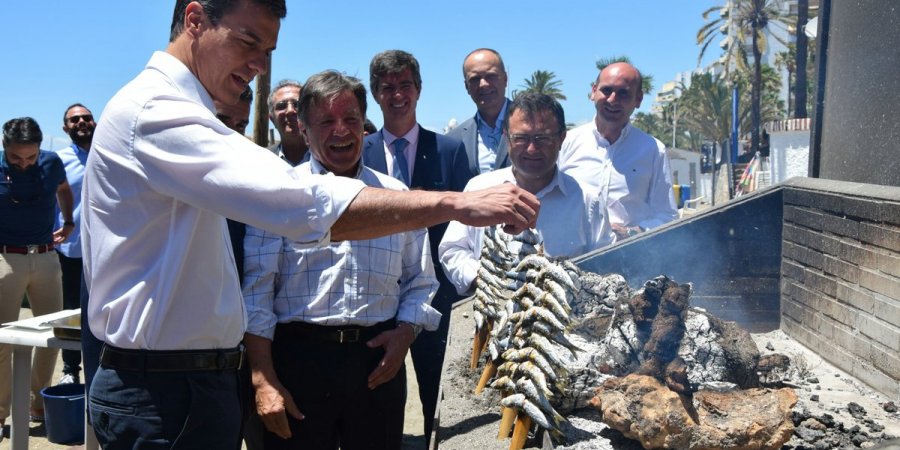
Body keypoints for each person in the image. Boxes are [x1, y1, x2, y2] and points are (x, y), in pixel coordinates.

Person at [81, 1, 539, 448]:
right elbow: (302, 206)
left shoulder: (181, 111)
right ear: (195, 20)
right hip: (168, 391)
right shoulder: (157, 112)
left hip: (192, 384)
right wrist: (456, 203)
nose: (260, 65)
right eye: (249, 41)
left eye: (269, 50)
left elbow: (415, 279)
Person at [244, 70, 440, 450]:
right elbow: (256, 294)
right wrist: (264, 379)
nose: (341, 131)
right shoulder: (279, 196)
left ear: (364, 126)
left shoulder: (396, 197)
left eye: (350, 119)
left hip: (375, 366)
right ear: (303, 128)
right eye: (326, 121)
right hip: (299, 365)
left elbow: (421, 281)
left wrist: (405, 333)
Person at [362, 49, 473, 442]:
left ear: (419, 90)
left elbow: (463, 220)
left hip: (434, 295)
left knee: (437, 395)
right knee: (373, 400)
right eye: (387, 87)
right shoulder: (359, 153)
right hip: (373, 297)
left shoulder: (449, 150)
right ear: (376, 93)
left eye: (405, 85)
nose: (397, 95)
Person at [440, 93, 615, 294]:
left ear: (561, 137)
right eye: (521, 138)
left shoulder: (588, 200)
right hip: (493, 313)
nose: (532, 149)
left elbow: (605, 266)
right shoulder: (479, 189)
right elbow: (452, 249)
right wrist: (484, 280)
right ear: (506, 136)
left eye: (542, 138)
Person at [0, 117, 74, 426]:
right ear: (5, 147)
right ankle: (0, 414)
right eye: (16, 157)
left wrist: (68, 221)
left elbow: (64, 189)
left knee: (53, 335)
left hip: (46, 258)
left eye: (30, 156)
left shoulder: (51, 161)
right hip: (6, 259)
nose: (24, 163)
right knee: (3, 341)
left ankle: (38, 403)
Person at [558, 62, 678, 240]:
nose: (612, 100)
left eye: (623, 93)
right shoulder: (565, 142)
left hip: (627, 258)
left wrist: (631, 233)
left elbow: (667, 217)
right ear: (593, 91)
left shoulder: (653, 150)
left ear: (638, 100)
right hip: (569, 257)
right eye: (606, 90)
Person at [54, 104, 94, 386]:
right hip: (71, 250)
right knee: (70, 311)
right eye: (74, 119)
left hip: (107, 250)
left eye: (86, 117)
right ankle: (70, 369)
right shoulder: (59, 160)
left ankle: (101, 366)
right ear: (65, 127)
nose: (81, 121)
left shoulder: (110, 152)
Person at [446, 48, 513, 175]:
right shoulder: (454, 140)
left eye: (491, 76)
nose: (483, 84)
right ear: (466, 87)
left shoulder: (535, 126)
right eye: (475, 79)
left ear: (505, 79)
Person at [267, 79, 308, 165]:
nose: (290, 110)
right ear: (272, 119)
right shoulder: (260, 160)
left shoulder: (333, 159)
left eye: (297, 104)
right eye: (281, 105)